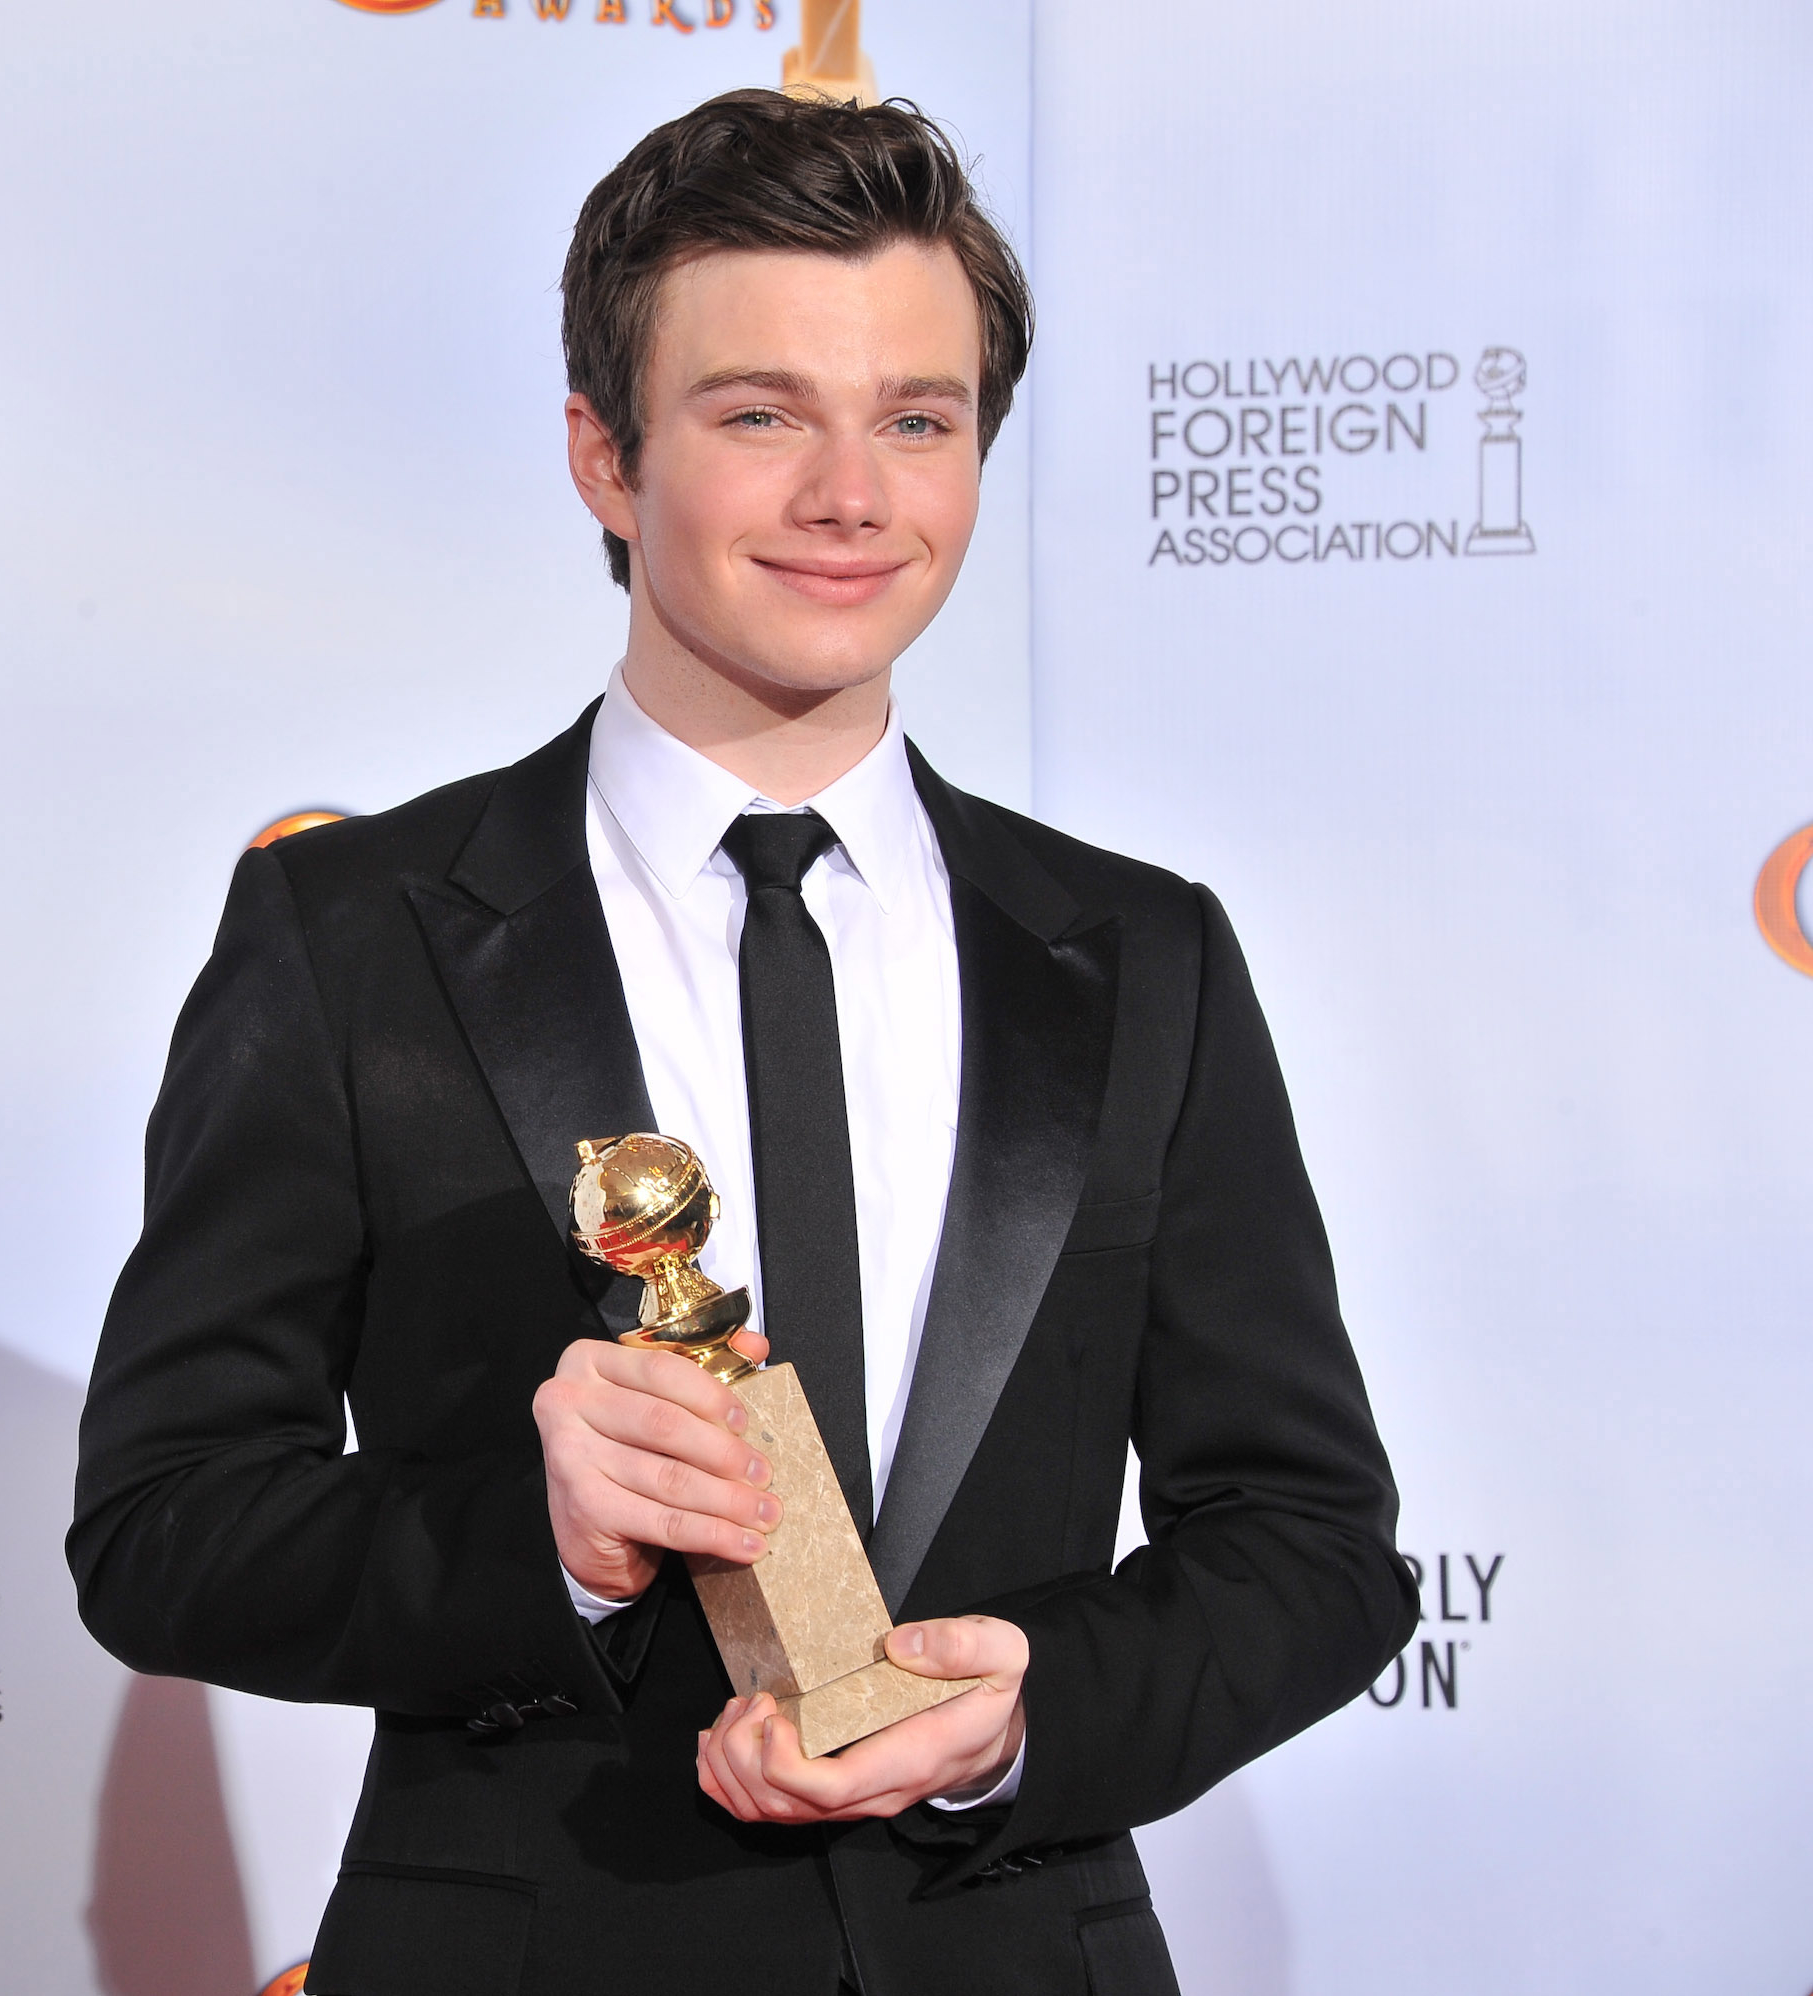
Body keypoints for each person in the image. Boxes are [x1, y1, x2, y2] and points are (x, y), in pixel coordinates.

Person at [69, 92, 1412, 1996]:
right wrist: (535, 1543)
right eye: (761, 413)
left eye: (918, 420)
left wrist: (1026, 1718)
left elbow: (1307, 1540)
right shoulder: (356, 935)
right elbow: (160, 1526)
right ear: (604, 459)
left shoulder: (1141, 956)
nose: (852, 494)